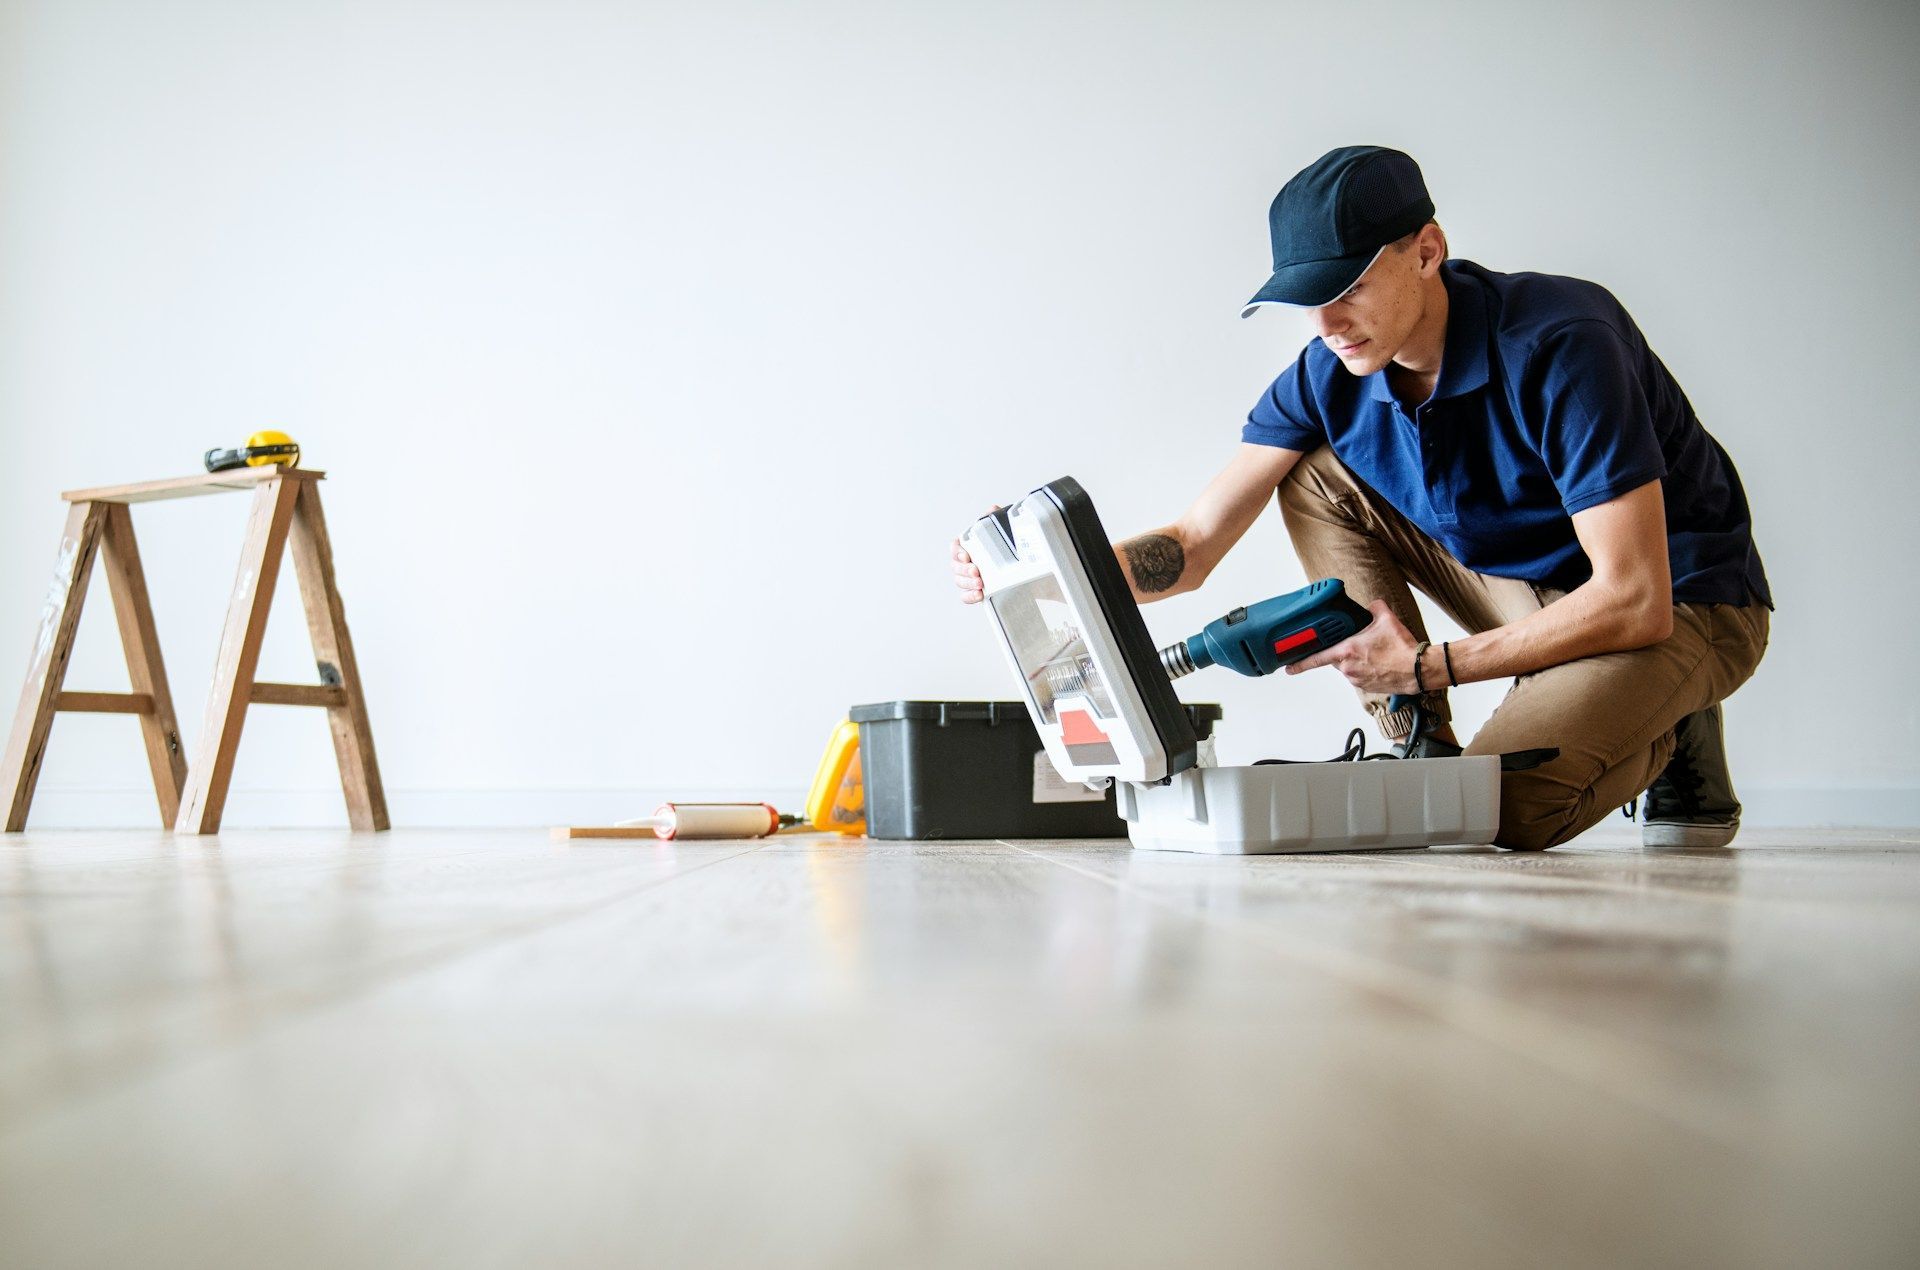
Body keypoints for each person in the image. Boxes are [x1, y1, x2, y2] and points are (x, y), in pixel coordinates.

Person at [951, 145, 1771, 851]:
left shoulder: (1561, 343)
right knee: (1312, 476)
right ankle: (1424, 749)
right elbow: (1195, 544)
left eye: (1347, 286)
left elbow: (1633, 596)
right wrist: (1043, 571)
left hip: (1680, 599)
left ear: (1426, 250)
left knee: (1507, 813)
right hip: (1536, 597)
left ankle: (1674, 712)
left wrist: (1425, 666)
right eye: (1309, 297)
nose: (1328, 322)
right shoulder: (1327, 374)